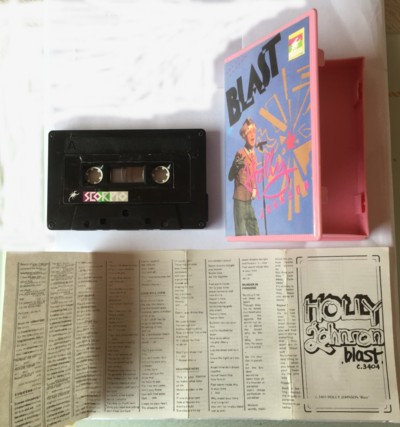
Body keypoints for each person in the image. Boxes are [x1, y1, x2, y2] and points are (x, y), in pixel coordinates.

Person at [228, 118, 260, 236]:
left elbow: (253, 174)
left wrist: (254, 188)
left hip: (249, 201)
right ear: (244, 136)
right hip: (240, 201)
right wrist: (236, 166)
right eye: (249, 133)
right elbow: (230, 176)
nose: (252, 135)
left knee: (255, 233)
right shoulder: (240, 154)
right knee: (241, 233)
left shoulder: (254, 155)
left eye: (254, 132)